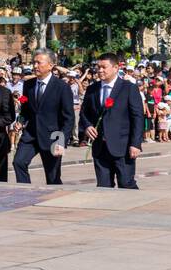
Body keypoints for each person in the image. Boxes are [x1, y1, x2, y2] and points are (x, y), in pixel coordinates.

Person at [78, 52, 144, 190]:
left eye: (104, 67)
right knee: (103, 187)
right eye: (98, 67)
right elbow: (84, 113)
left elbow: (137, 117)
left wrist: (135, 144)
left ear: (115, 68)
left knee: (126, 184)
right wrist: (88, 126)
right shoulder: (92, 89)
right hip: (100, 147)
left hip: (123, 146)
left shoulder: (128, 88)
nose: (100, 70)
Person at [12, 48, 76, 185]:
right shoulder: (28, 85)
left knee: (52, 177)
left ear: (51, 65)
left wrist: (62, 141)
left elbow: (69, 118)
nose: (35, 66)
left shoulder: (62, 87)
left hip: (52, 137)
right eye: (34, 62)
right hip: (31, 136)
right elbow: (26, 110)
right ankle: (25, 192)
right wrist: (20, 122)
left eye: (39, 63)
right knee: (18, 162)